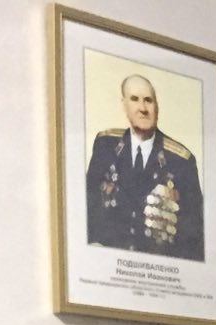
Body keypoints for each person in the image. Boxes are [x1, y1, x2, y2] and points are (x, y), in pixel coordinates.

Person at [86, 73, 204, 259]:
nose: (142, 108)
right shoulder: (105, 146)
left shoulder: (181, 161)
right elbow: (87, 209)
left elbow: (194, 238)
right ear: (124, 105)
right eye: (135, 99)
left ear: (157, 107)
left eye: (148, 100)